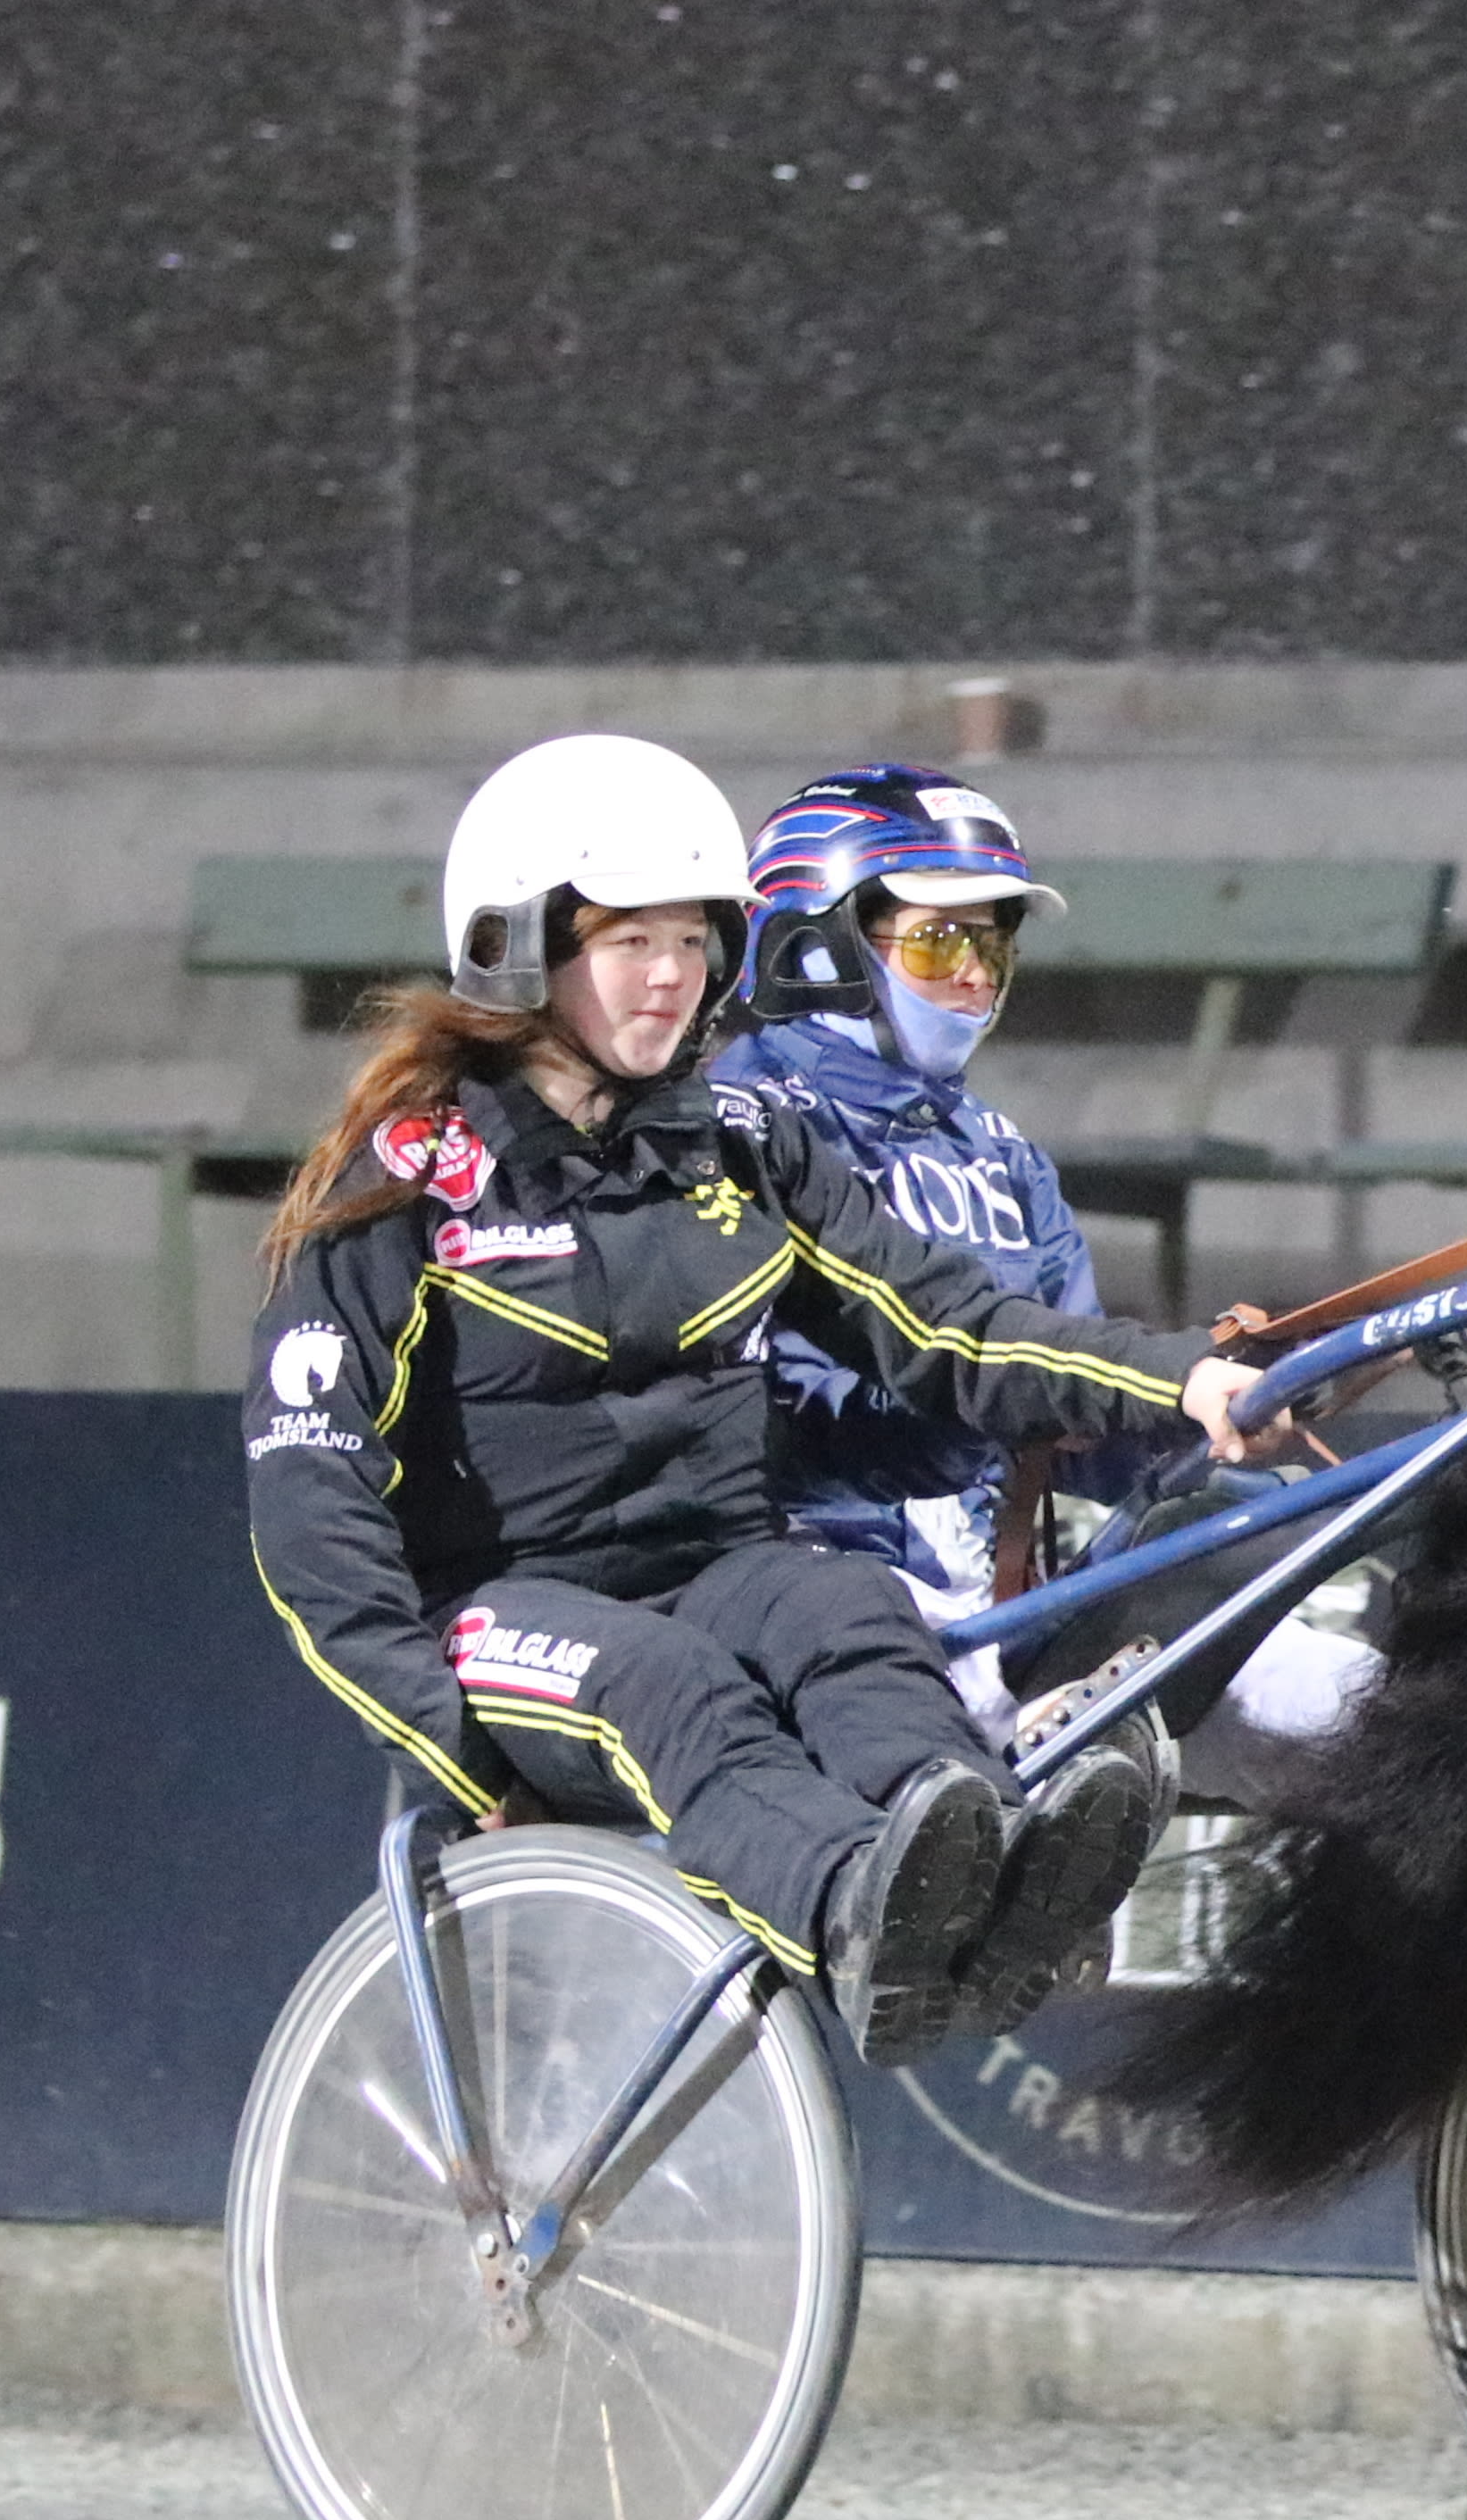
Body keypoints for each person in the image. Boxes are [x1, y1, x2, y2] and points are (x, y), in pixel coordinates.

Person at [241, 734, 1274, 2062]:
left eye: (692, 939)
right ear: (518, 945)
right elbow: (310, 1512)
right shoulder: (404, 1180)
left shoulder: (742, 1145)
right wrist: (453, 1755)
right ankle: (858, 1909)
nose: (672, 975)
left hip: (716, 1564)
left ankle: (994, 1880)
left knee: (849, 1607)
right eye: (629, 941)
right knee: (670, 1683)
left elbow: (950, 1327)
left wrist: (1179, 1378)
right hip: (502, 1613)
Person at [716, 763, 1394, 1807]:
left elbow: (1077, 1423)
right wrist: (959, 1422)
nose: (975, 977)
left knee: (1390, 1714)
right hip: (828, 1619)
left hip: (1014, 1622)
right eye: (938, 943)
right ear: (813, 946)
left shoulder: (1002, 1156)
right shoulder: (736, 1129)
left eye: (992, 946)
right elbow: (733, 1420)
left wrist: (1219, 1404)